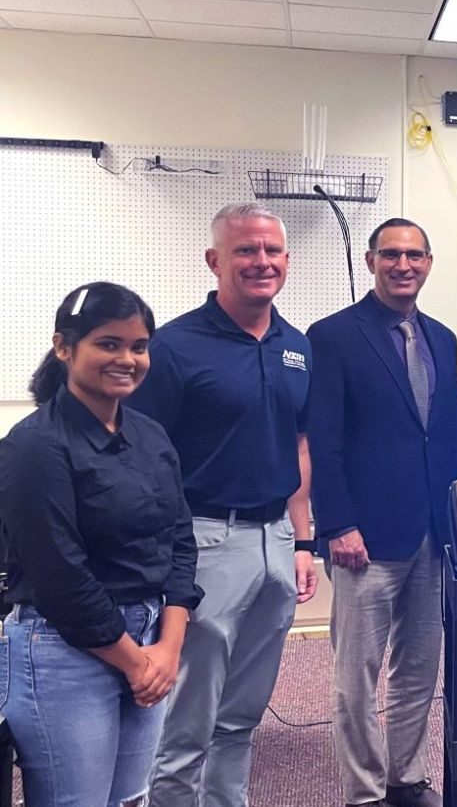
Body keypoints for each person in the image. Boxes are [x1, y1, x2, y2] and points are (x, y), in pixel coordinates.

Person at [129, 203, 317, 807]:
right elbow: (141, 459)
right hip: (205, 541)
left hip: (277, 544)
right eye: (245, 251)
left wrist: (303, 539)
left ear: (286, 260)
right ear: (215, 261)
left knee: (240, 716)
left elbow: (298, 444)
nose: (261, 262)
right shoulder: (174, 347)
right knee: (186, 719)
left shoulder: (297, 346)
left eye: (272, 252)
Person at [0, 283, 201, 806]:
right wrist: (138, 663)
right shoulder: (34, 446)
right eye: (108, 344)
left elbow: (180, 539)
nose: (128, 359)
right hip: (64, 649)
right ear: (64, 347)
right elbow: (58, 575)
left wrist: (168, 646)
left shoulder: (152, 436)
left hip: (151, 638)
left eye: (139, 346)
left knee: (129, 798)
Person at [307, 218, 457, 807]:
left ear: (429, 263)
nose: (403, 265)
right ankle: (363, 791)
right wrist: (335, 525)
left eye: (414, 256)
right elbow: (322, 440)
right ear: (374, 262)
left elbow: (450, 435)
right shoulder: (332, 336)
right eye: (391, 255)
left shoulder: (442, 337)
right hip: (365, 535)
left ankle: (407, 777)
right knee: (356, 674)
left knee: (418, 668)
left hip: (432, 531)